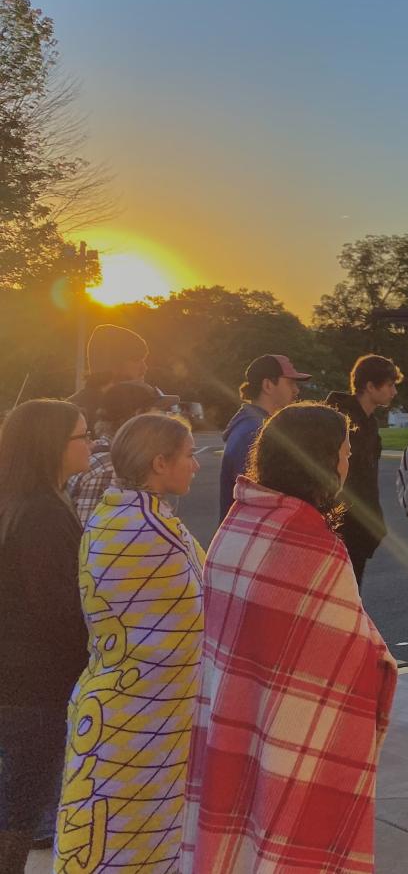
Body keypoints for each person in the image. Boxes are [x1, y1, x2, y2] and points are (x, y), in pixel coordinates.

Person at [185, 403, 397, 872]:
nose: (348, 463)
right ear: (318, 461)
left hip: (229, 718)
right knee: (285, 841)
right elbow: (351, 657)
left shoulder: (238, 521)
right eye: (343, 453)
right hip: (290, 730)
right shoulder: (314, 546)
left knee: (237, 841)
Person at [55, 413, 205, 870]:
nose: (196, 465)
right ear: (160, 463)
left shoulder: (111, 516)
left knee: (109, 845)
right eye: (189, 455)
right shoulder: (149, 531)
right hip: (143, 722)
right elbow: (199, 615)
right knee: (132, 848)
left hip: (113, 707)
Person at [0, 400, 91, 872]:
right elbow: (59, 611)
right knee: (20, 803)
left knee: (16, 797)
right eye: (83, 435)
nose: (91, 443)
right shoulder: (42, 514)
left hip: (16, 679)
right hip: (34, 685)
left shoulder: (21, 501)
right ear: (53, 445)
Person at [327, 354, 403, 588]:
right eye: (389, 385)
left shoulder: (370, 422)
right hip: (339, 527)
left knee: (353, 590)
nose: (394, 392)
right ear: (370, 386)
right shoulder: (337, 420)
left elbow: (369, 478)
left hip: (360, 528)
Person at [67, 379, 181, 523]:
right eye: (158, 412)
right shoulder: (110, 468)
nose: (165, 418)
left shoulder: (109, 458)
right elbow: (89, 538)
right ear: (138, 416)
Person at [219, 353, 310, 519]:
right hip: (250, 540)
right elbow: (260, 503)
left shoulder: (255, 426)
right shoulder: (255, 433)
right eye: (290, 383)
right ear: (268, 385)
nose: (296, 390)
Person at [67, 324, 150, 430]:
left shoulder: (135, 407)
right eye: (136, 360)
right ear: (114, 363)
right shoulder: (75, 413)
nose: (144, 368)